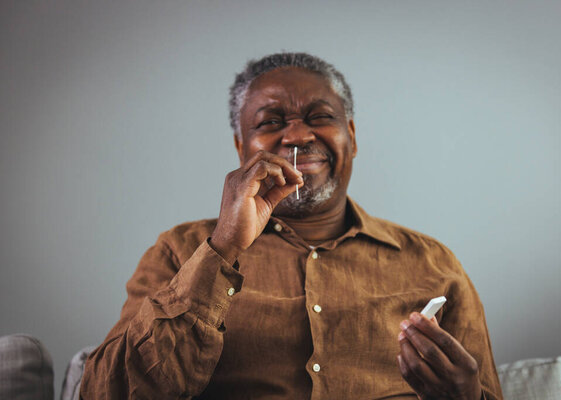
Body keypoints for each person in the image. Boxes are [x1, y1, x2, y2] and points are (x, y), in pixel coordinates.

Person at [80, 52, 503, 399]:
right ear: (241, 147)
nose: (298, 136)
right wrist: (223, 247)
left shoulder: (433, 264)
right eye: (271, 122)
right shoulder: (180, 250)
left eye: (320, 117)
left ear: (351, 137)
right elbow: (105, 393)